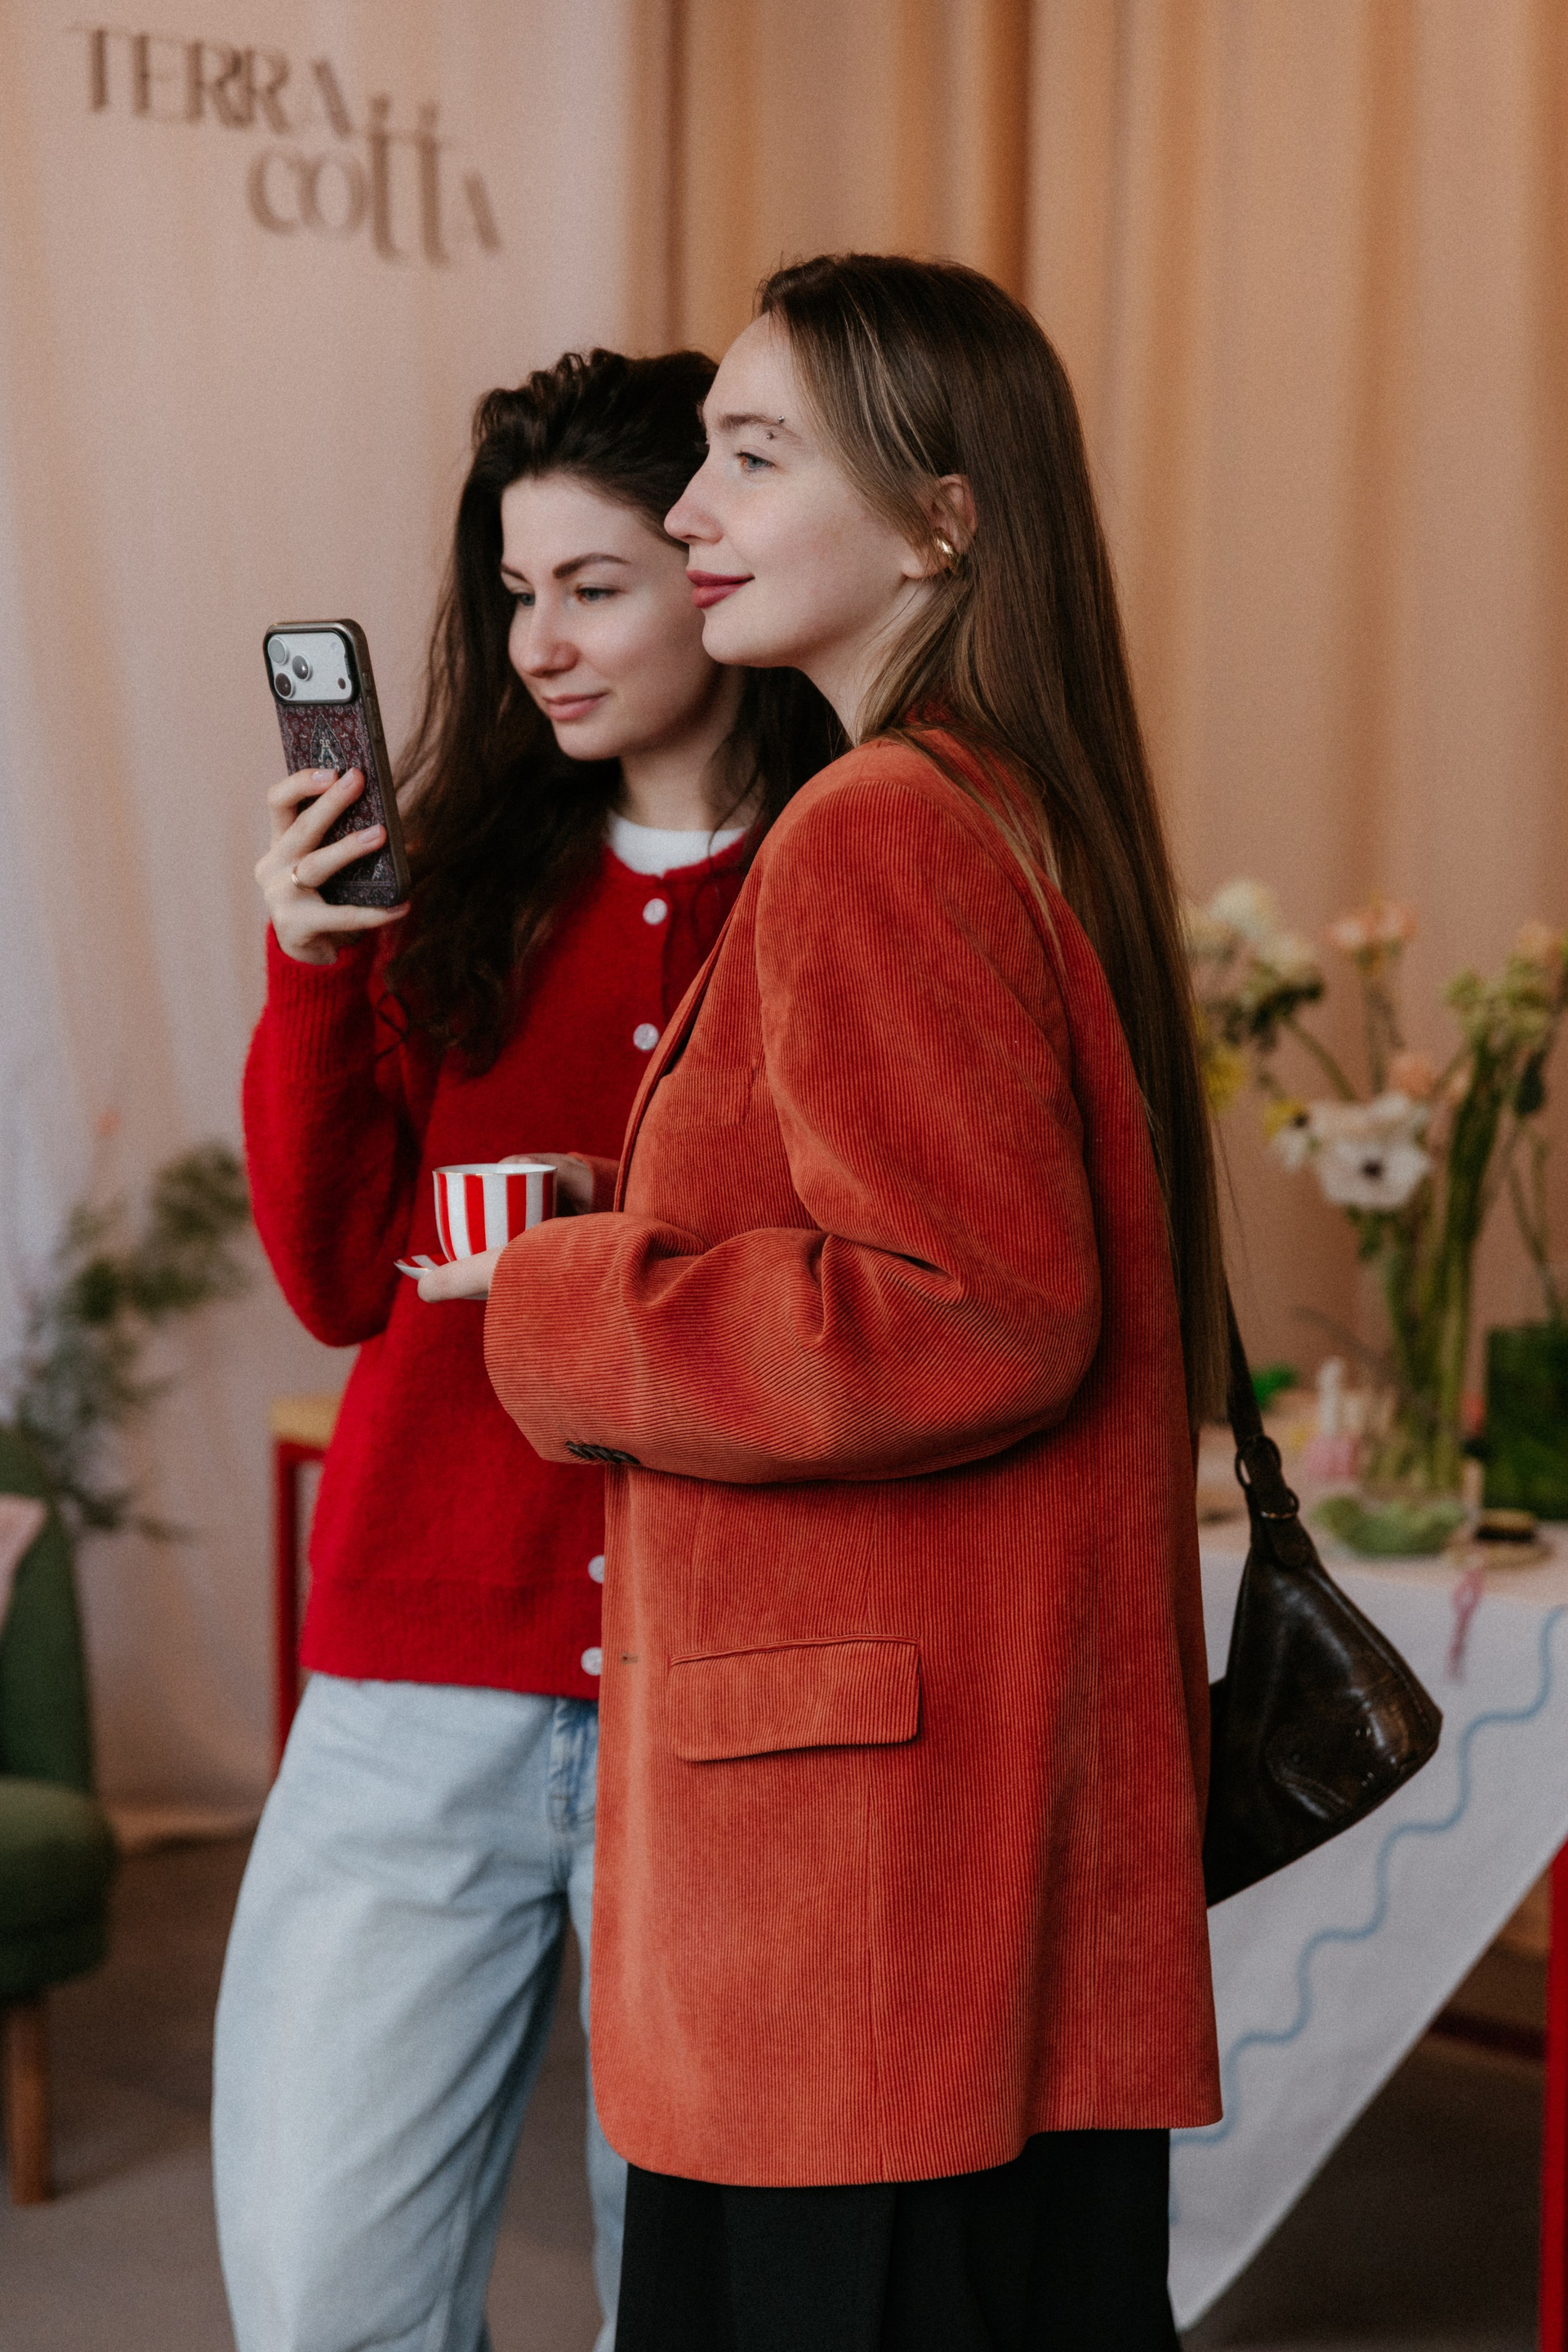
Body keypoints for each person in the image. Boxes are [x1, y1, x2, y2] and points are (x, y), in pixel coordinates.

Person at [424, 255, 1228, 2349]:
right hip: (947, 1853)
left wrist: (568, 1295)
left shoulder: (881, 824)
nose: (693, 510)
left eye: (755, 457)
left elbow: (972, 1310)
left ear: (942, 521)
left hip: (855, 1894)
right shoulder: (1008, 806)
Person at [212, 346, 839, 2352]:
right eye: (511, 593)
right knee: (323, 2288)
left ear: (716, 569)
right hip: (424, 1663)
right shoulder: (456, 887)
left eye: (593, 587)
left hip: (728, 1686)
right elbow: (335, 1277)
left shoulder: (853, 877)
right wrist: (314, 971)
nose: (538, 644)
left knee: (697, 2305)